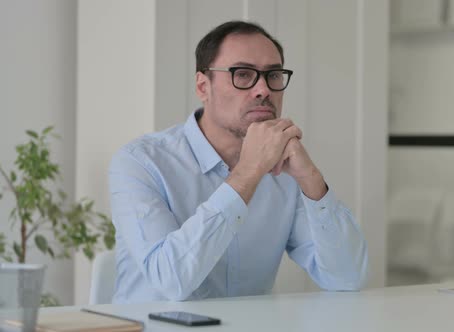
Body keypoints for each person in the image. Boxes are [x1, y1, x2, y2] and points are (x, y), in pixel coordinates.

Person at [109, 20, 368, 304]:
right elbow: (170, 280)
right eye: (243, 74)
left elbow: (347, 278)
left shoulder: (286, 170)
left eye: (273, 75)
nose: (263, 90)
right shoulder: (140, 162)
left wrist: (312, 180)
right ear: (202, 86)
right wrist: (248, 174)